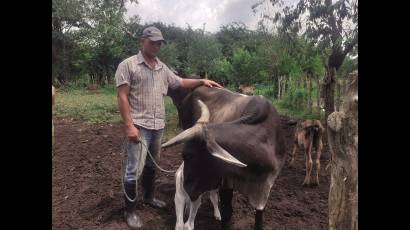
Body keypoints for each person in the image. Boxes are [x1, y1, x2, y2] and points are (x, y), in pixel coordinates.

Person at [115, 26, 222, 229]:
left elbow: (180, 82)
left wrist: (201, 80)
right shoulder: (128, 65)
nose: (156, 46)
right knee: (133, 171)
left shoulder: (162, 68)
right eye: (152, 42)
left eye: (159, 43)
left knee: (151, 165)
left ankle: (149, 197)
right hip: (139, 126)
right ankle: (130, 211)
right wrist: (129, 126)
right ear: (142, 41)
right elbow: (122, 96)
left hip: (157, 126)